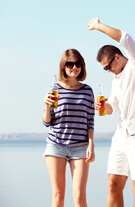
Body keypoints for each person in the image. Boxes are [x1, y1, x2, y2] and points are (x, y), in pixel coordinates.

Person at [86, 17, 135, 207]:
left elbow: (124, 38)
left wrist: (98, 26)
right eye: (104, 69)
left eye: (108, 66)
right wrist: (101, 106)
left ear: (117, 56)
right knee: (113, 185)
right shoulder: (116, 79)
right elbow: (111, 108)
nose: (108, 71)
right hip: (120, 136)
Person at [43, 49, 95, 207]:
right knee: (58, 196)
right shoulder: (55, 89)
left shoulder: (87, 91)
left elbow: (90, 120)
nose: (74, 67)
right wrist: (46, 106)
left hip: (80, 147)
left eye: (78, 64)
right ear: (63, 67)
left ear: (82, 66)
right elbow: (47, 123)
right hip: (56, 145)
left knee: (79, 197)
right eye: (70, 64)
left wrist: (91, 145)